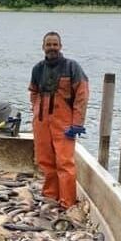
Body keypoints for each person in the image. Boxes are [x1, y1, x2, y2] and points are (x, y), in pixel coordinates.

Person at [28, 31, 89, 208]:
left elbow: (82, 95)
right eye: (49, 44)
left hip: (64, 122)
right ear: (43, 47)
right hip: (41, 121)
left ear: (60, 47)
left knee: (64, 162)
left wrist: (77, 123)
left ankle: (67, 202)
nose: (52, 48)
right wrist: (36, 109)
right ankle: (50, 197)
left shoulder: (72, 67)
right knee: (45, 161)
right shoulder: (37, 68)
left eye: (55, 44)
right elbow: (33, 92)